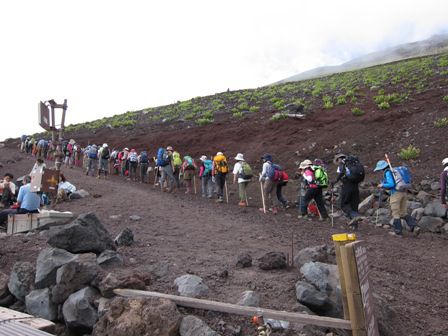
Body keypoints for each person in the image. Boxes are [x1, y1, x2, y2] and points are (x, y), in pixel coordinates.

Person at [374, 160, 420, 237]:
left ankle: (398, 232)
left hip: (395, 194)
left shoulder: (388, 172)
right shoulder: (395, 171)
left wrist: (382, 185)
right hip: (403, 193)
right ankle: (415, 227)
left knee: (395, 213)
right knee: (403, 213)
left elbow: (391, 184)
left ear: (382, 168)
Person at [332, 153, 363, 226]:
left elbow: (341, 174)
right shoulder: (353, 164)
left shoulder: (343, 164)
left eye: (337, 160)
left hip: (347, 186)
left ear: (339, 159)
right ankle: (354, 225)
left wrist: (335, 181)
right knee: (354, 205)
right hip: (355, 186)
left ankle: (354, 216)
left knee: (344, 204)